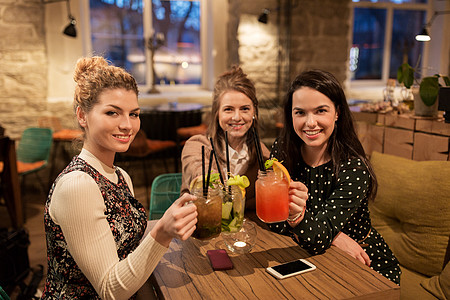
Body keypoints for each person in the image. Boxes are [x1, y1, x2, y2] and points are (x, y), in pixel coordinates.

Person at [42, 56, 198, 299]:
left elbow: (125, 239)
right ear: (82, 116)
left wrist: (174, 220)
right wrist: (163, 232)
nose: (127, 125)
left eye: (134, 114)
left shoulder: (120, 176)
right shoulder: (77, 186)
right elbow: (110, 289)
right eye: (112, 113)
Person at [269, 69, 400, 284]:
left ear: (337, 113)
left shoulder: (354, 167)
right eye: (300, 112)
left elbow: (317, 237)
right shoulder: (282, 152)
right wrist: (336, 237)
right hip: (310, 256)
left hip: (362, 261)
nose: (310, 123)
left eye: (320, 111)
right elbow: (274, 220)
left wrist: (316, 229)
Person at [181, 66, 269, 210]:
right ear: (217, 114)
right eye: (228, 109)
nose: (237, 117)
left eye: (245, 109)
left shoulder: (262, 153)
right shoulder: (198, 146)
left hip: (248, 230)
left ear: (254, 113)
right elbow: (202, 179)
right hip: (203, 227)